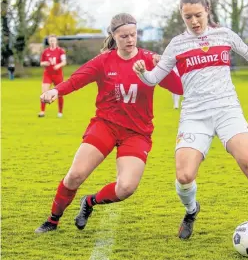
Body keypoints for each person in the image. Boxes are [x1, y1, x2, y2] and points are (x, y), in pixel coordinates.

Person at [133, 0, 248, 251]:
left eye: (198, 15)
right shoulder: (177, 44)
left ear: (207, 11)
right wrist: (143, 72)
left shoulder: (224, 34)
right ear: (182, 17)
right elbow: (154, 79)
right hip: (194, 116)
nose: (194, 21)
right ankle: (191, 210)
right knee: (184, 175)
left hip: (227, 110)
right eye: (188, 17)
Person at [35, 13, 183, 233]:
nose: (130, 40)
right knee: (75, 175)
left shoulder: (149, 60)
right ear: (114, 36)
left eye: (133, 35)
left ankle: (89, 202)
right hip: (105, 126)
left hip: (137, 133)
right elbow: (77, 79)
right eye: (124, 36)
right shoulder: (104, 61)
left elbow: (179, 89)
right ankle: (53, 220)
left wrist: (165, 68)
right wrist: (56, 91)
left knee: (126, 188)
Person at [39, 34, 67, 118]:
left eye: (53, 40)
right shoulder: (45, 52)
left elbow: (64, 61)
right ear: (48, 42)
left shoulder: (60, 51)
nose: (52, 42)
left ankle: (60, 112)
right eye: (50, 41)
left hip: (58, 75)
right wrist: (44, 63)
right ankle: (42, 111)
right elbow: (41, 63)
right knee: (44, 92)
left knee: (60, 93)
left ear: (56, 41)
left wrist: (59, 65)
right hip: (48, 74)